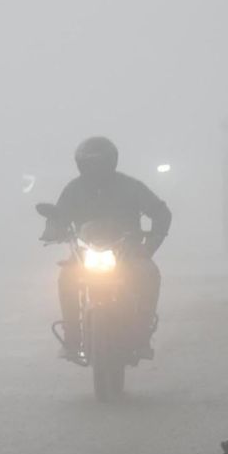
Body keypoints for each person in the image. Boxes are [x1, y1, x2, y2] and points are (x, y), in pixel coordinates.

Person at [46, 136, 171, 359]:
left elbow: (161, 212)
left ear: (111, 162)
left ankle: (142, 335)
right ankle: (72, 338)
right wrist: (53, 230)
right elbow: (59, 215)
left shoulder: (130, 186)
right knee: (66, 277)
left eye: (100, 163)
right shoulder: (74, 189)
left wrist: (150, 245)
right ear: (81, 164)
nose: (95, 168)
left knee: (149, 273)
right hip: (84, 253)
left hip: (128, 252)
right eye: (90, 163)